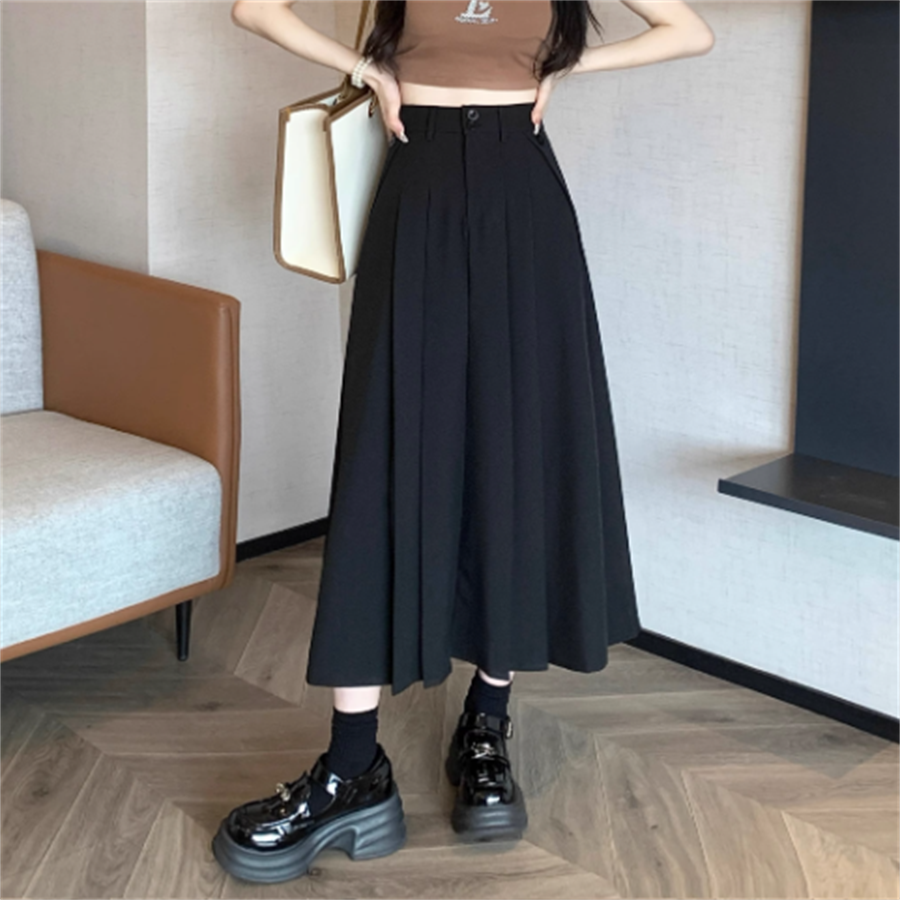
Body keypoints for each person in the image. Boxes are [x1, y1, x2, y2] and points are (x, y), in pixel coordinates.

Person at [216, 0, 714, 885]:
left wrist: (565, 69)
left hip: (526, 200)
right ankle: (353, 764)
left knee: (512, 452)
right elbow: (254, 9)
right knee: (382, 457)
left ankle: (487, 719)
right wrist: (366, 70)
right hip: (418, 191)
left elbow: (689, 31)